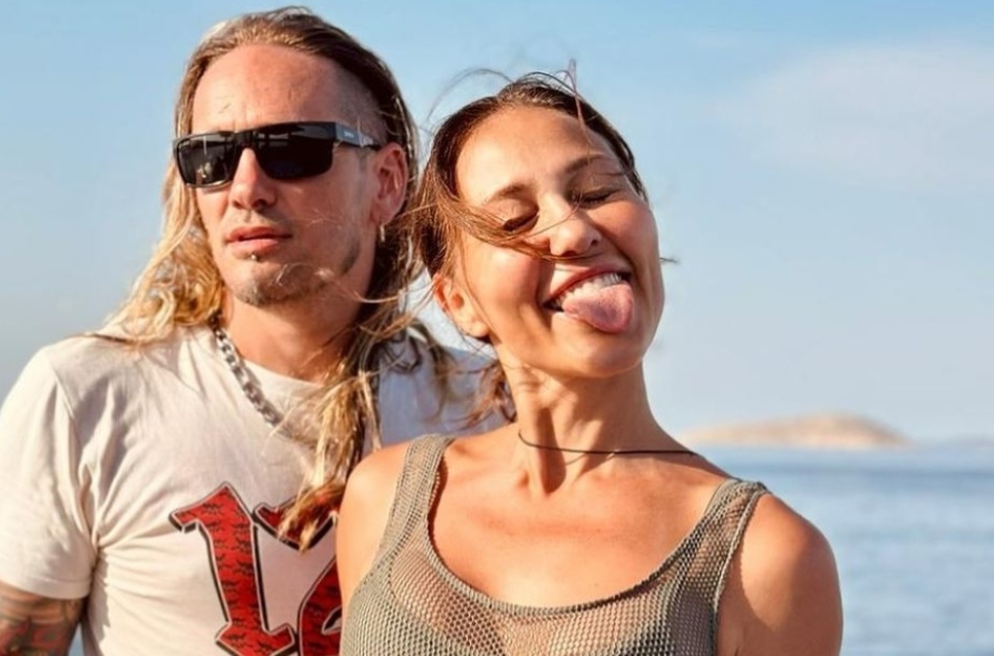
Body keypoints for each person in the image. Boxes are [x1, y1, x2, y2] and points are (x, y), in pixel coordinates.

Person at [0, 8, 495, 656]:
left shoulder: (487, 407)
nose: (245, 188)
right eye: (210, 157)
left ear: (385, 181)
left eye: (291, 149)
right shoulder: (86, 399)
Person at [337, 74, 844, 656]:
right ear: (457, 302)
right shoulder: (386, 498)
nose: (575, 231)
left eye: (598, 193)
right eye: (515, 221)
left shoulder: (763, 557)